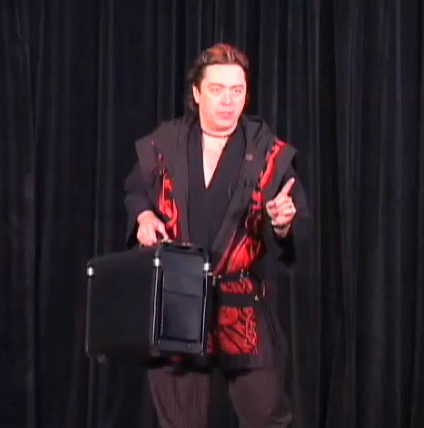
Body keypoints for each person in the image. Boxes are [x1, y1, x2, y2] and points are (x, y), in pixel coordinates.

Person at [124, 43, 308, 428]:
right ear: (197, 93)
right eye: (217, 89)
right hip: (177, 300)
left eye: (237, 90)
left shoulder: (267, 151)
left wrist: (282, 222)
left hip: (240, 303)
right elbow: (136, 189)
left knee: (267, 417)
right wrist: (143, 215)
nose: (228, 101)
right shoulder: (168, 141)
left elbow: (291, 222)